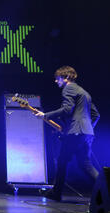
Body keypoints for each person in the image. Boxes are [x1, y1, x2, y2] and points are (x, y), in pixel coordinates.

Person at [35, 66, 100, 201]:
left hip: (76, 132)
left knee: (62, 161)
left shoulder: (69, 88)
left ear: (66, 78)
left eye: (57, 78)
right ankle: (106, 191)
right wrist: (87, 129)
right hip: (87, 133)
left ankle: (56, 193)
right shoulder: (84, 92)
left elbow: (67, 109)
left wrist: (45, 115)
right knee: (85, 164)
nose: (56, 81)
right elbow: (96, 115)